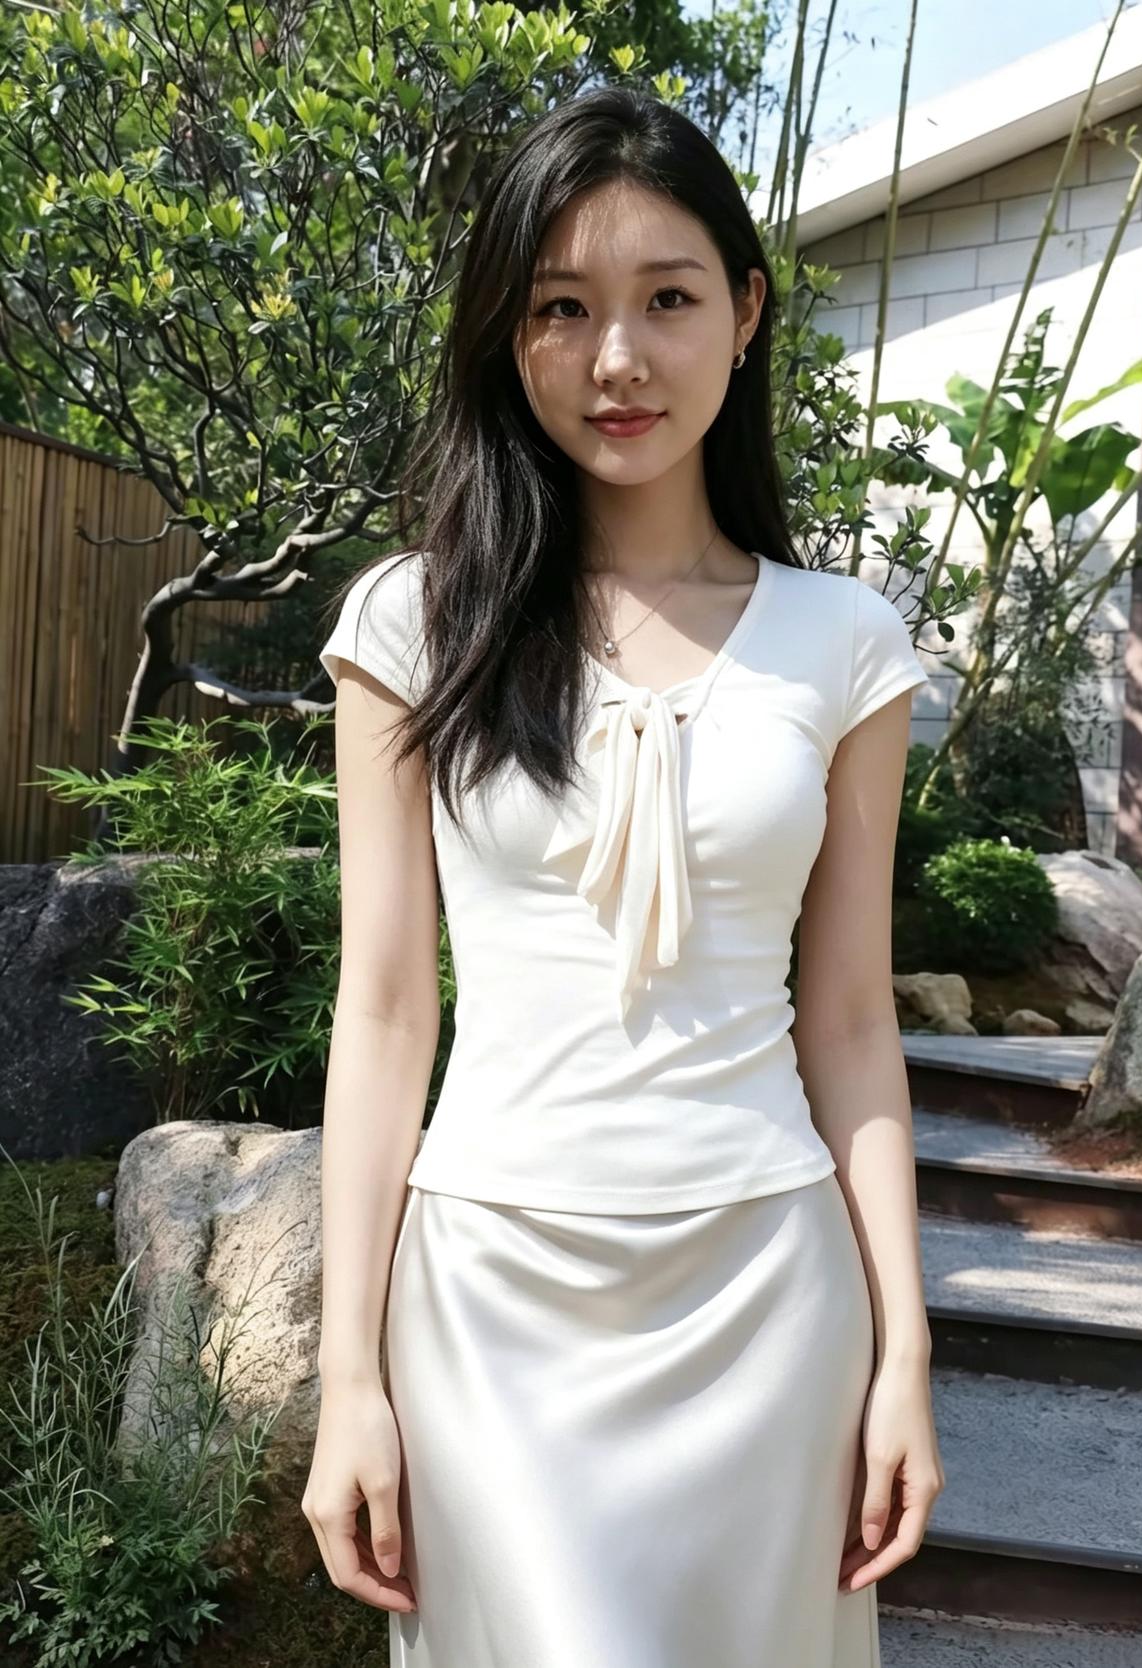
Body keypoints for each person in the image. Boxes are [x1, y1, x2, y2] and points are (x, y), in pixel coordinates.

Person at [302, 84, 944, 1668]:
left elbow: (851, 1023)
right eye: (563, 308)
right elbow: (384, 1013)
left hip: (770, 1299)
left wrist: (904, 1353)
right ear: (507, 336)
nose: (617, 359)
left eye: (667, 299)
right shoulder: (414, 625)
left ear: (747, 311)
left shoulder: (845, 643)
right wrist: (348, 1380)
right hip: (490, 1304)